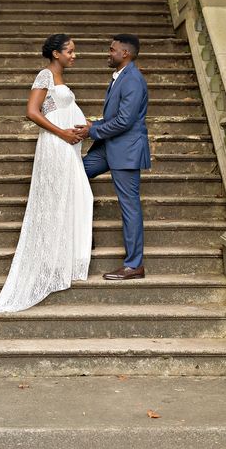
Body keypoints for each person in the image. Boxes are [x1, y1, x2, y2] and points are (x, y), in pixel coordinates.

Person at [0, 34, 93, 313]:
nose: (73, 55)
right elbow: (32, 111)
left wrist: (85, 126)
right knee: (57, 199)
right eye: (70, 51)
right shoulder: (45, 75)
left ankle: (64, 260)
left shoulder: (61, 80)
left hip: (67, 144)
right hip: (55, 145)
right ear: (56, 54)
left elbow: (66, 109)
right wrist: (63, 134)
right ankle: (50, 262)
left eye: (73, 51)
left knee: (80, 196)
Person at [76, 34, 150, 280]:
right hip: (108, 147)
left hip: (126, 150)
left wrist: (92, 131)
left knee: (130, 207)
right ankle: (84, 236)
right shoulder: (121, 77)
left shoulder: (133, 80)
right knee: (75, 175)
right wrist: (93, 125)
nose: (109, 53)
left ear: (125, 53)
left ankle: (134, 265)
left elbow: (125, 121)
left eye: (112, 49)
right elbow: (114, 117)